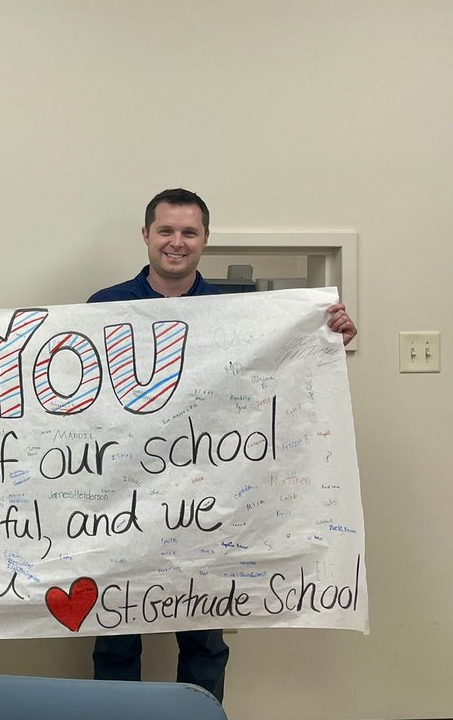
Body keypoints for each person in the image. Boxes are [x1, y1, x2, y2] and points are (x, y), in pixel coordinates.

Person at [87, 188, 357, 702]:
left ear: (205, 240)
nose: (176, 242)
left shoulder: (237, 310)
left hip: (211, 498)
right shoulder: (104, 306)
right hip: (125, 499)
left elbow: (276, 376)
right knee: (115, 635)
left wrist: (326, 342)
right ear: (146, 236)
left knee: (205, 638)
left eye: (189, 232)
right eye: (165, 230)